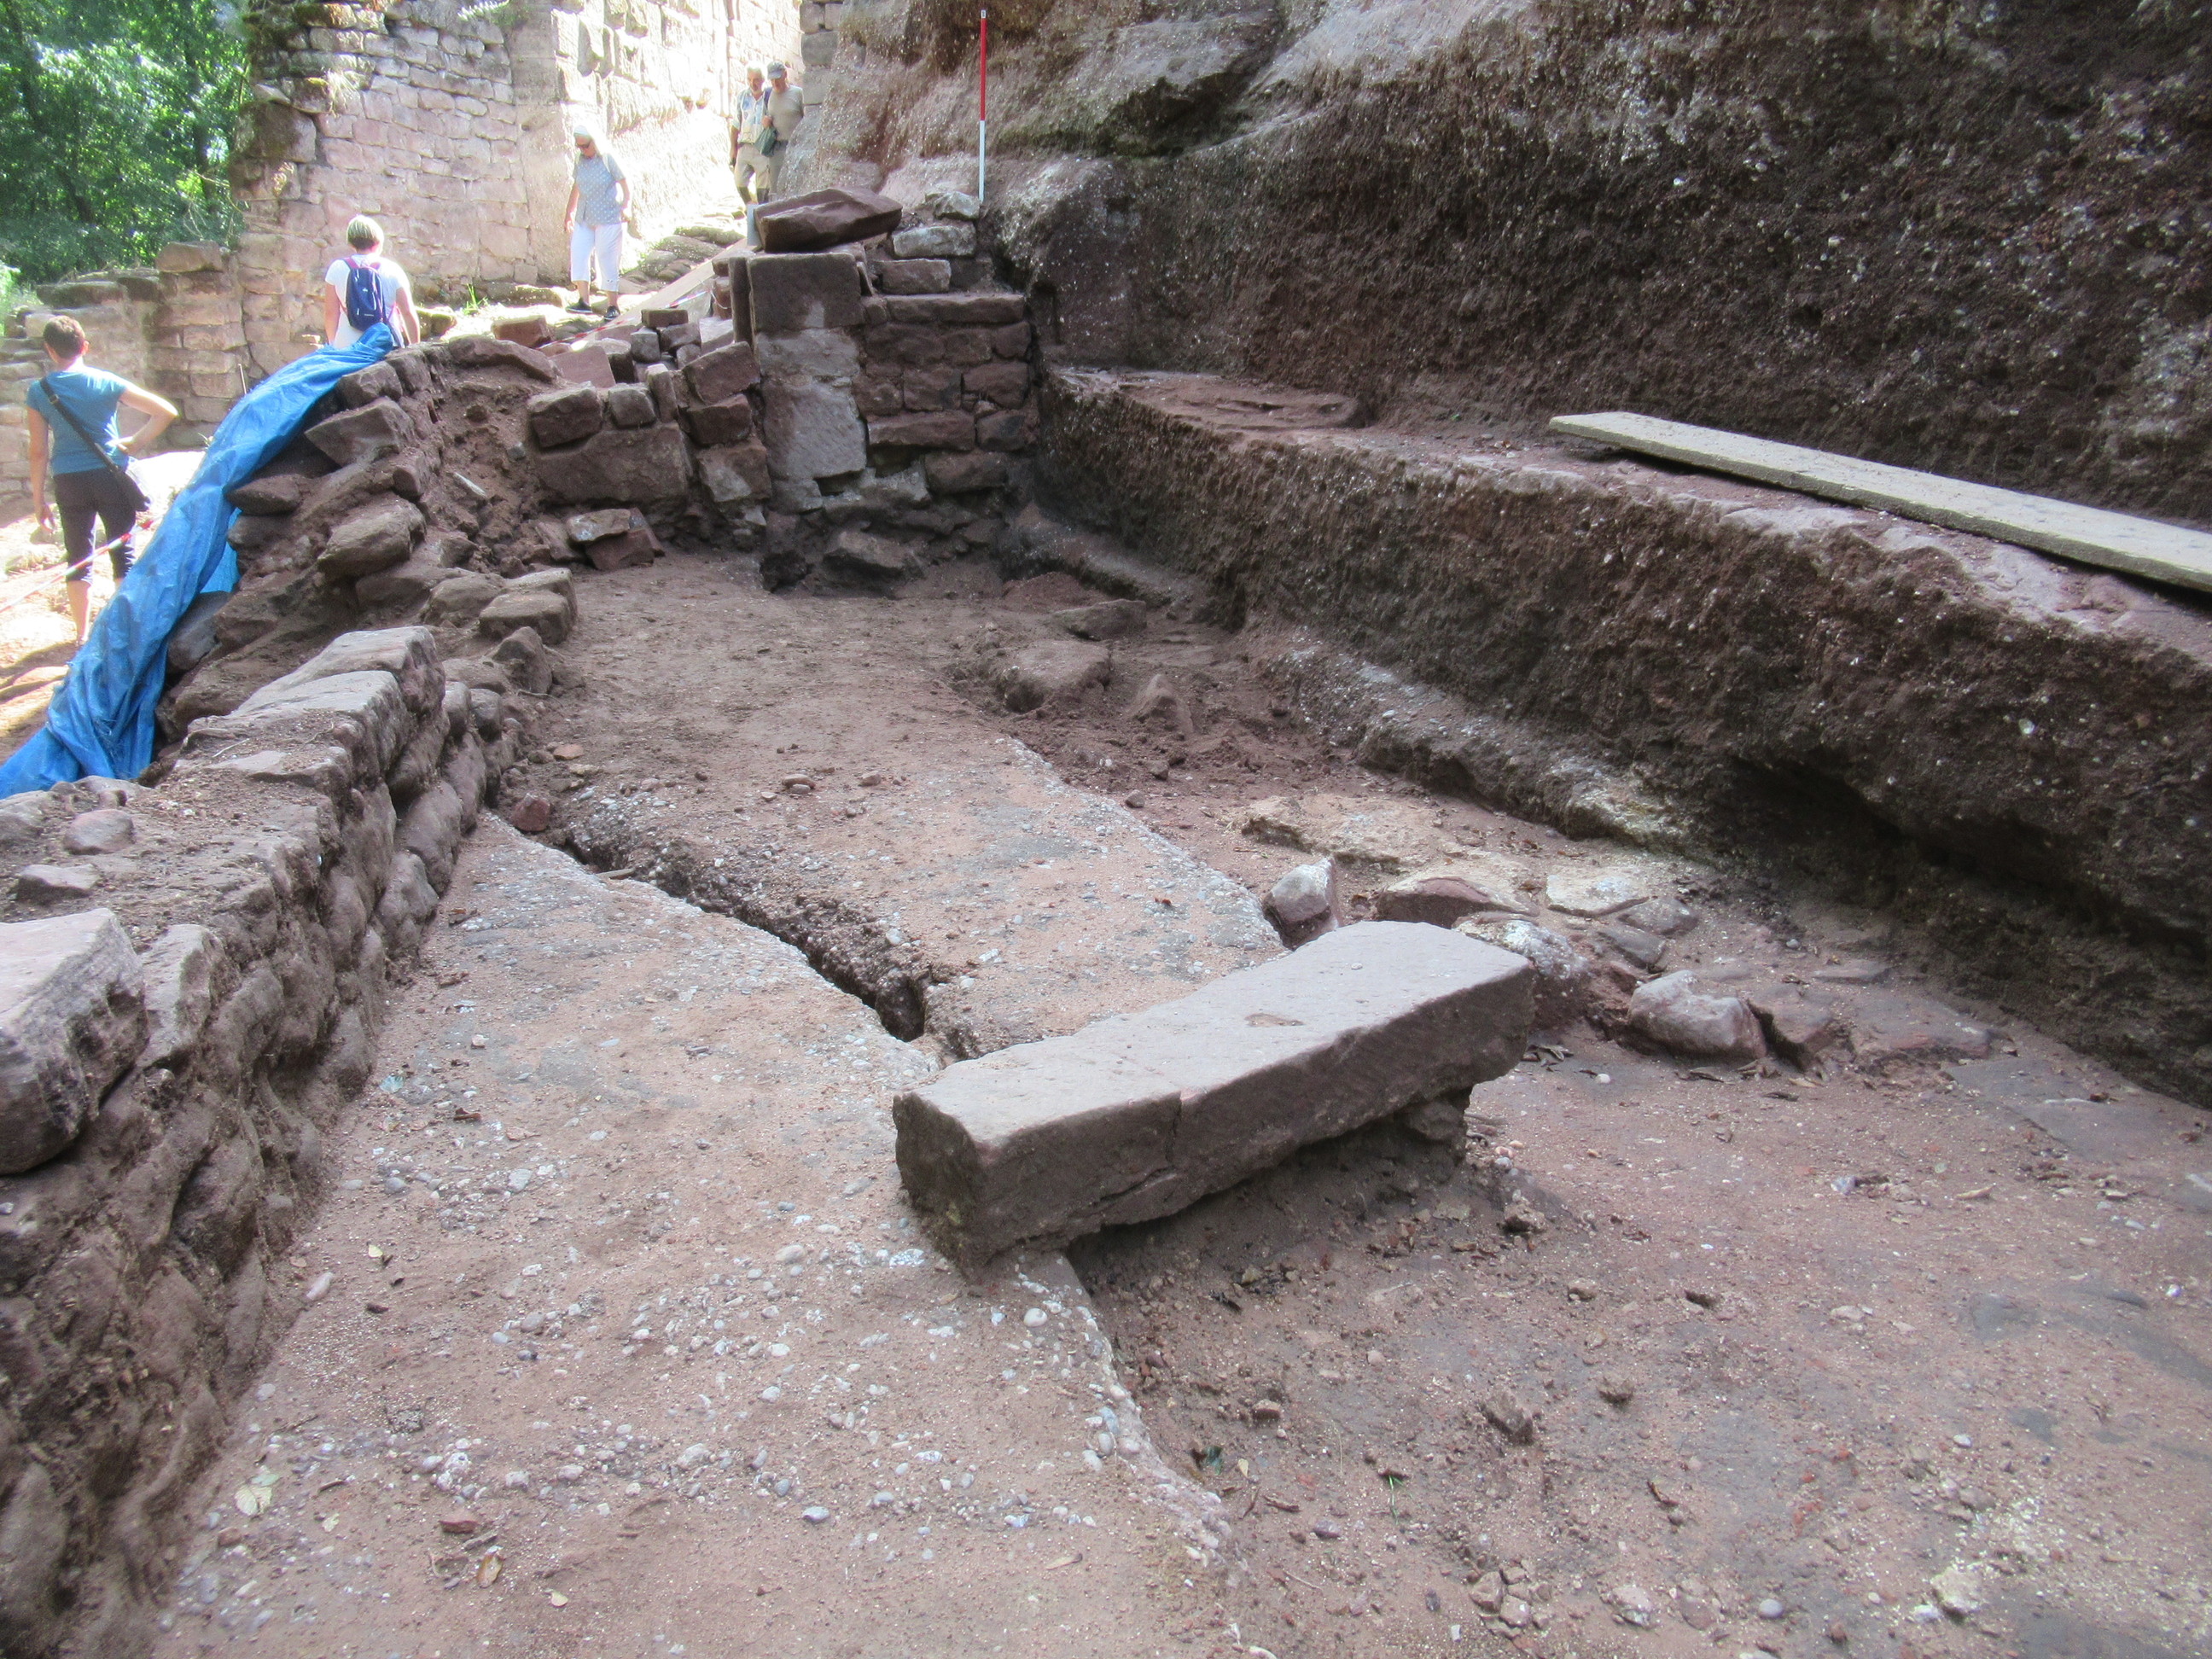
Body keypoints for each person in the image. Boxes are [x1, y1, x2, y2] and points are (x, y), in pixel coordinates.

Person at [24, 317, 177, 645]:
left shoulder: (39, 392)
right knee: (123, 549)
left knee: (78, 555)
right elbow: (165, 411)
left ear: (50, 350)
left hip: (69, 480)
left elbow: (37, 451)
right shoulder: (106, 381)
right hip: (110, 474)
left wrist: (38, 501)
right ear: (85, 347)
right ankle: (124, 631)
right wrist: (135, 442)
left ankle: (81, 636)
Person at [321, 215, 422, 349]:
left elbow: (331, 313)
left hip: (347, 347)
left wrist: (333, 345)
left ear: (351, 243)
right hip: (386, 345)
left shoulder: (337, 268)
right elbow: (407, 312)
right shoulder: (392, 269)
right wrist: (416, 349)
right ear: (378, 241)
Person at [565, 127, 632, 318]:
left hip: (608, 216)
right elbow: (577, 186)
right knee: (578, 253)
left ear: (595, 142)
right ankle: (584, 301)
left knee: (606, 257)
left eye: (585, 146)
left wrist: (626, 206)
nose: (582, 150)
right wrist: (569, 212)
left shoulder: (608, 158)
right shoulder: (580, 160)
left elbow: (625, 183)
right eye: (579, 146)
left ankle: (612, 305)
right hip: (585, 215)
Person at [731, 65, 771, 205]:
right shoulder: (742, 96)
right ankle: (750, 206)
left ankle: (761, 212)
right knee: (739, 181)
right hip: (745, 146)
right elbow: (736, 123)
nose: (752, 83)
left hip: (763, 148)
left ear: (763, 80)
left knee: (763, 188)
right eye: (749, 79)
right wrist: (733, 148)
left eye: (756, 80)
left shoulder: (770, 96)